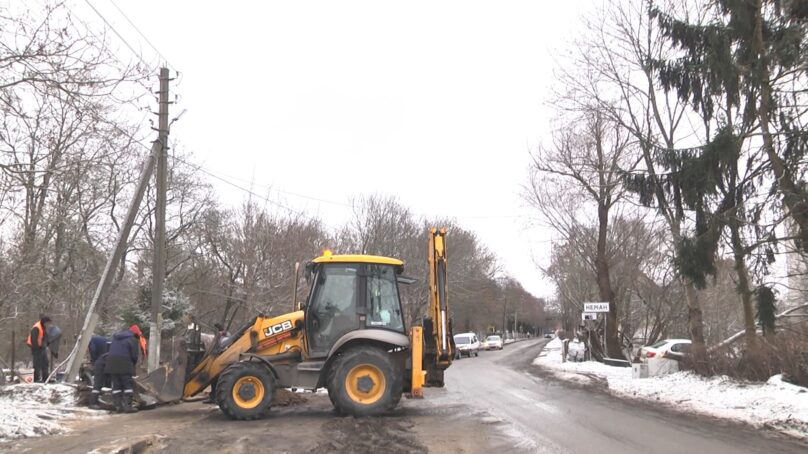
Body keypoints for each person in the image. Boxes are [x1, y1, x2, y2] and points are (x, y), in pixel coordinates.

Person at [104, 325, 141, 413]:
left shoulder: (116, 338)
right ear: (136, 333)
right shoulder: (133, 339)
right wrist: (133, 365)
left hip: (111, 363)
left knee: (116, 385)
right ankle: (128, 407)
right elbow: (134, 355)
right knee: (127, 385)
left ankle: (118, 407)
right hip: (124, 362)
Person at [87, 335, 110, 410]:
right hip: (107, 360)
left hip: (101, 361)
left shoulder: (91, 341)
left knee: (98, 383)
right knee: (108, 381)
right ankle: (106, 399)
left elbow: (93, 350)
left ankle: (93, 402)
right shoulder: (104, 339)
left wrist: (94, 361)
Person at [27, 316, 52, 383]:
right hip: (36, 348)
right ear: (45, 322)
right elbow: (33, 339)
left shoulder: (43, 327)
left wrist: (48, 343)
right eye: (48, 323)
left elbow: (45, 336)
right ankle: (36, 379)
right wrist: (38, 348)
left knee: (45, 363)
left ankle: (46, 378)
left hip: (41, 348)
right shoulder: (36, 327)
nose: (48, 324)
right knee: (37, 363)